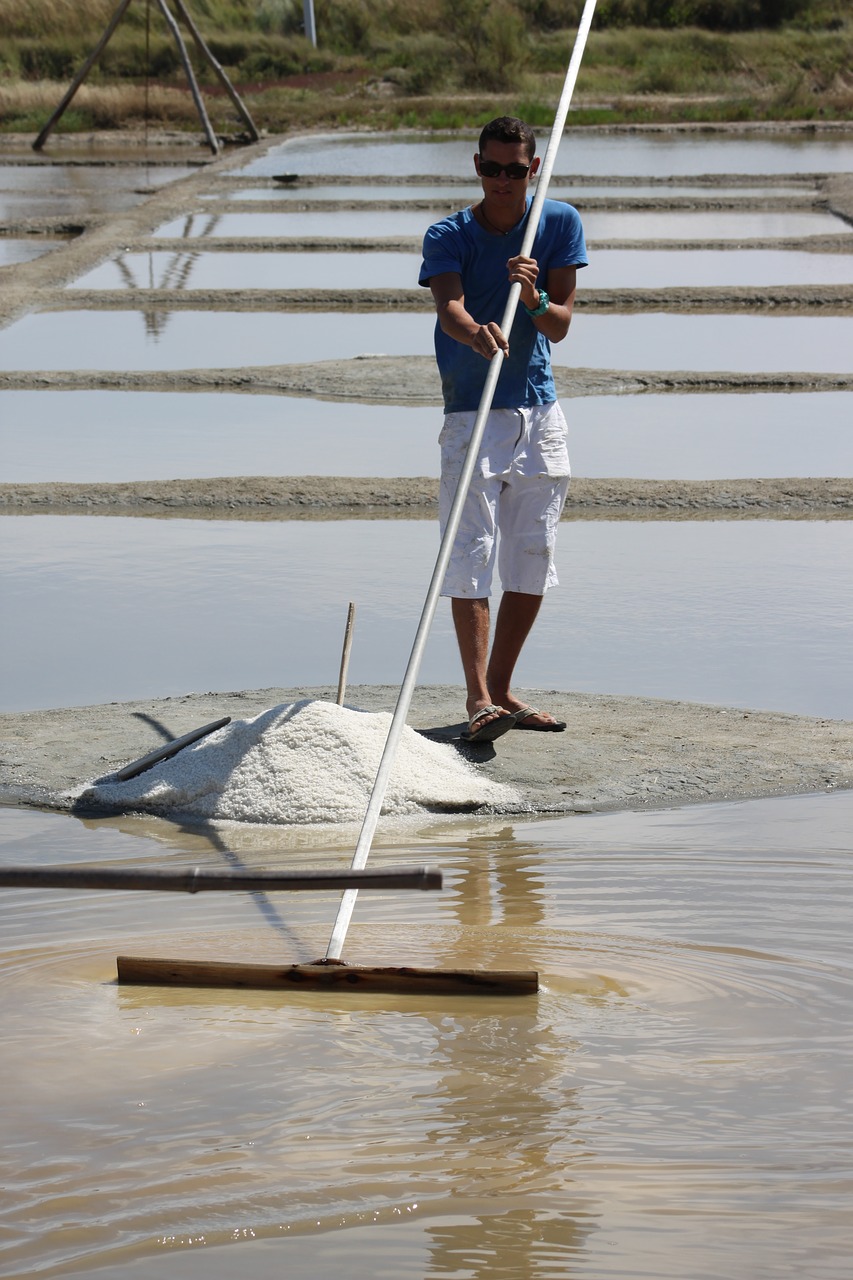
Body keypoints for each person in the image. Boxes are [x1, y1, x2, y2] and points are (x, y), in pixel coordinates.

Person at [418, 116, 588, 744]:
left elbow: (560, 324)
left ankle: (503, 687)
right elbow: (449, 306)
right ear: (477, 166)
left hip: (539, 413)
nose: (503, 181)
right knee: (470, 555)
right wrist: (476, 333)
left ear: (532, 169)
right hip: (472, 412)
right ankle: (478, 698)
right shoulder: (449, 234)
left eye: (515, 170)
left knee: (532, 555)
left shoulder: (557, 223)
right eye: (492, 169)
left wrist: (534, 296)